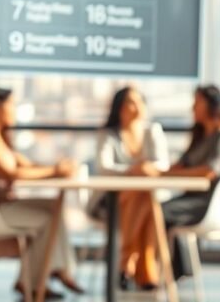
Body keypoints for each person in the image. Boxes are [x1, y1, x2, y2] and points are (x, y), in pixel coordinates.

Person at [0, 86, 85, 299]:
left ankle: (52, 273)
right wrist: (55, 171)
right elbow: (11, 173)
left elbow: (29, 165)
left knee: (53, 208)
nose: (15, 110)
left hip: (1, 207)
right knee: (48, 219)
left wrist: (58, 168)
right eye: (12, 105)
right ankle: (38, 278)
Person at [94, 86, 169, 291]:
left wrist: (146, 169)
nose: (136, 107)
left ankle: (126, 262)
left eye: (139, 101)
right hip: (110, 201)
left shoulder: (152, 131)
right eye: (130, 102)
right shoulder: (108, 134)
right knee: (144, 197)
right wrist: (135, 170)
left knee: (144, 196)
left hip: (143, 200)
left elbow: (163, 164)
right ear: (119, 108)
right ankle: (146, 271)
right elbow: (104, 169)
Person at [161, 85, 220, 279]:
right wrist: (157, 172)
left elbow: (210, 171)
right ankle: (162, 271)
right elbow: (182, 164)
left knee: (158, 212)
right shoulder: (201, 134)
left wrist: (169, 177)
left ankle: (161, 273)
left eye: (197, 102)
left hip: (210, 204)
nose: (192, 107)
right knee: (153, 209)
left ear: (212, 105)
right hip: (193, 198)